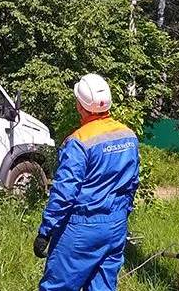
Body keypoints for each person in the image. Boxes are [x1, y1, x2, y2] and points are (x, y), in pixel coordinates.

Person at [33, 73, 140, 291]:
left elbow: (65, 192)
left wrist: (46, 230)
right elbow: (132, 182)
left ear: (80, 106)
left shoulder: (78, 142)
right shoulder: (128, 136)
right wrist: (121, 214)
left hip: (82, 228)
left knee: (57, 287)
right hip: (116, 225)